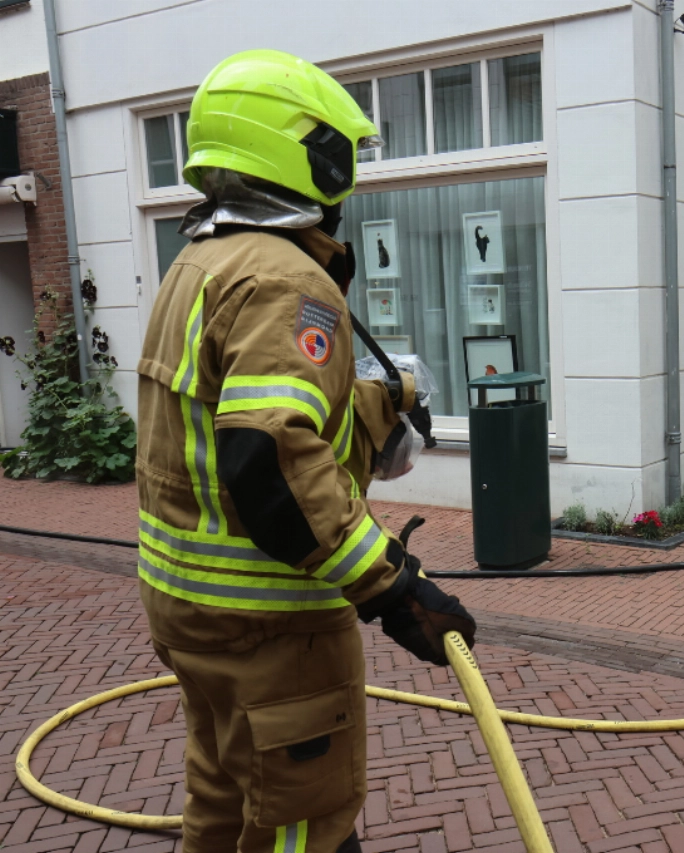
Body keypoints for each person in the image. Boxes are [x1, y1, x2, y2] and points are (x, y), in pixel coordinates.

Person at [135, 50, 476, 853]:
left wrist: (367, 405)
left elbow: (226, 425)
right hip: (270, 627)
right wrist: (393, 585)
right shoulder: (288, 281)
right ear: (310, 154)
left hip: (189, 613)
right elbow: (271, 458)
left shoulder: (195, 265)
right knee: (297, 826)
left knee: (223, 808)